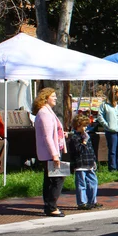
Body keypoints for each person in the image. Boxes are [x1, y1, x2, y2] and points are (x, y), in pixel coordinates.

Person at [33, 87, 67, 217]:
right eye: (53, 96)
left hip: (52, 151)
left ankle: (49, 206)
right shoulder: (44, 113)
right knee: (57, 179)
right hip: (51, 153)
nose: (56, 98)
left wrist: (61, 135)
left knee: (50, 179)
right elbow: (47, 136)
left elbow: (51, 133)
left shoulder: (47, 112)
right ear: (46, 97)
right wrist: (55, 155)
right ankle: (51, 206)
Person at [69, 114, 101, 210]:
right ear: (77, 126)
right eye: (83, 126)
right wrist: (84, 142)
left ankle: (92, 201)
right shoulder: (75, 138)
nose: (85, 128)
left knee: (93, 182)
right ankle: (82, 202)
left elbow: (91, 150)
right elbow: (78, 150)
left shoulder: (87, 136)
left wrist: (94, 160)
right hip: (80, 164)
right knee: (81, 183)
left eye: (86, 126)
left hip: (89, 163)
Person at [97, 85, 118, 171]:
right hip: (111, 130)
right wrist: (106, 125)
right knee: (112, 150)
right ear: (115, 93)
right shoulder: (105, 104)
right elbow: (100, 116)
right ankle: (112, 168)